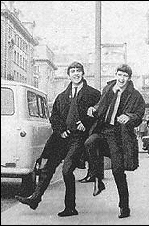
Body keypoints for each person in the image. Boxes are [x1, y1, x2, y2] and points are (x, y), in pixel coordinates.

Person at [15, 62, 101, 217]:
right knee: (47, 169)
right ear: (69, 75)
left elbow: (100, 113)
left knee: (67, 170)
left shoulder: (93, 94)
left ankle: (70, 207)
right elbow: (54, 116)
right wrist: (61, 131)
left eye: (79, 71)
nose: (76, 74)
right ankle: (35, 199)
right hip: (62, 138)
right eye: (73, 71)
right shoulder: (62, 96)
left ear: (83, 73)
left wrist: (86, 123)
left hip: (79, 139)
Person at [85, 64, 145, 218]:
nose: (121, 79)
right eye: (119, 75)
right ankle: (98, 179)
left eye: (125, 76)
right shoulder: (108, 90)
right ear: (115, 75)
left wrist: (130, 117)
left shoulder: (135, 95)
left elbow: (139, 115)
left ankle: (124, 207)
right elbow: (100, 106)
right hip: (103, 130)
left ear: (129, 78)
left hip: (119, 136)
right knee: (90, 143)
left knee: (118, 171)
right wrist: (93, 108)